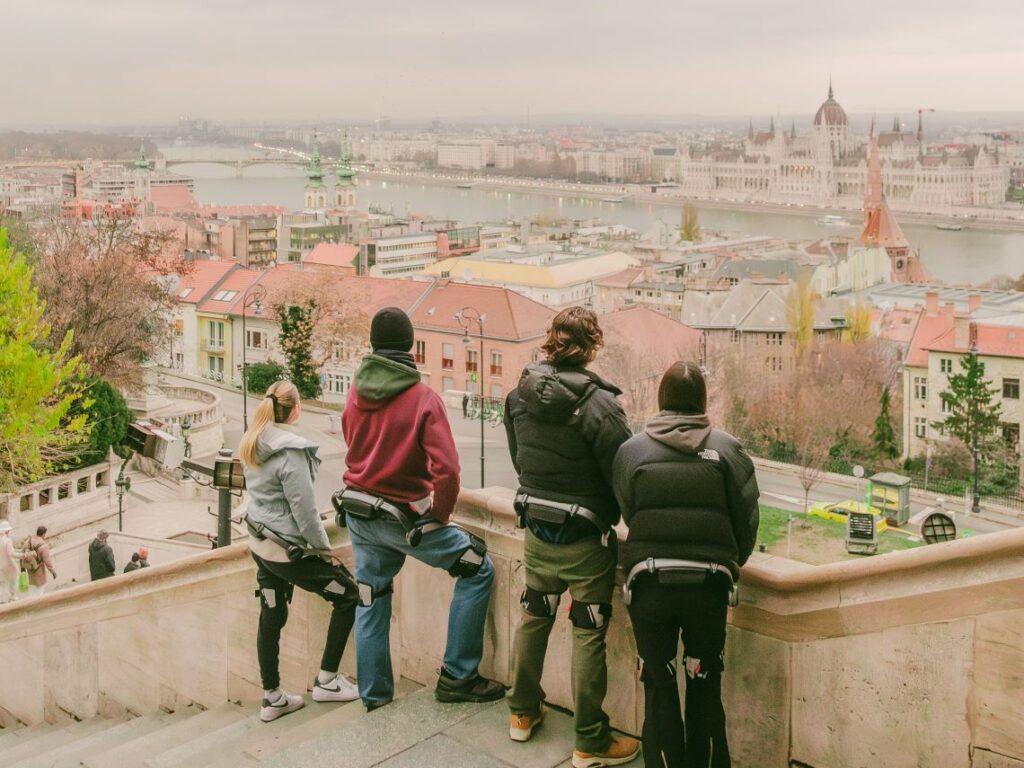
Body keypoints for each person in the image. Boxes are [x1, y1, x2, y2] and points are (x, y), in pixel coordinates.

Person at [341, 307, 504, 711]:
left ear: (375, 345)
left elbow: (351, 438)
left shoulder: (355, 390)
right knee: (475, 566)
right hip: (403, 516)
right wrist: (441, 516)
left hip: (360, 511)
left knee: (371, 596)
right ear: (410, 346)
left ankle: (375, 698)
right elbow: (446, 469)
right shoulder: (423, 398)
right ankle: (458, 677)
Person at [504, 306, 639, 768]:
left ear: (550, 341)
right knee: (587, 629)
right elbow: (622, 474)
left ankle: (521, 714)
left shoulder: (516, 396)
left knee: (534, 616)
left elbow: (519, 457)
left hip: (537, 529)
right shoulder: (601, 407)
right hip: (585, 536)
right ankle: (589, 740)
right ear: (593, 346)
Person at [613, 362, 760, 768]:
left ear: (661, 400)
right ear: (701, 401)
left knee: (658, 682)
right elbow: (747, 518)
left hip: (650, 587)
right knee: (704, 680)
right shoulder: (729, 450)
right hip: (708, 589)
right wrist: (732, 561)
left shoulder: (632, 451)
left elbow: (629, 511)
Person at [240, 380, 360, 723]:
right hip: (288, 552)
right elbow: (305, 513)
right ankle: (327, 681)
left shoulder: (254, 439)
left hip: (261, 546)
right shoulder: (291, 452)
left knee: (272, 615)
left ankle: (272, 696)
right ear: (295, 409)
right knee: (349, 595)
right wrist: (324, 552)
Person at [24, 526, 57, 596]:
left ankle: (30, 601)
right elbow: (47, 561)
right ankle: (37, 603)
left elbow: (23, 552)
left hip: (30, 568)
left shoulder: (28, 541)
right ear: (44, 534)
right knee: (40, 588)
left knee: (32, 586)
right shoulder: (43, 545)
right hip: (39, 569)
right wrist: (53, 571)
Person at [0, 520, 23, 603]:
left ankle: (2, 600)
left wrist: (18, 550)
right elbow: (11, 553)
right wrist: (22, 555)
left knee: (2, 584)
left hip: (0, 566)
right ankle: (12, 597)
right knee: (13, 581)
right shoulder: (8, 540)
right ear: (7, 531)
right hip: (9, 565)